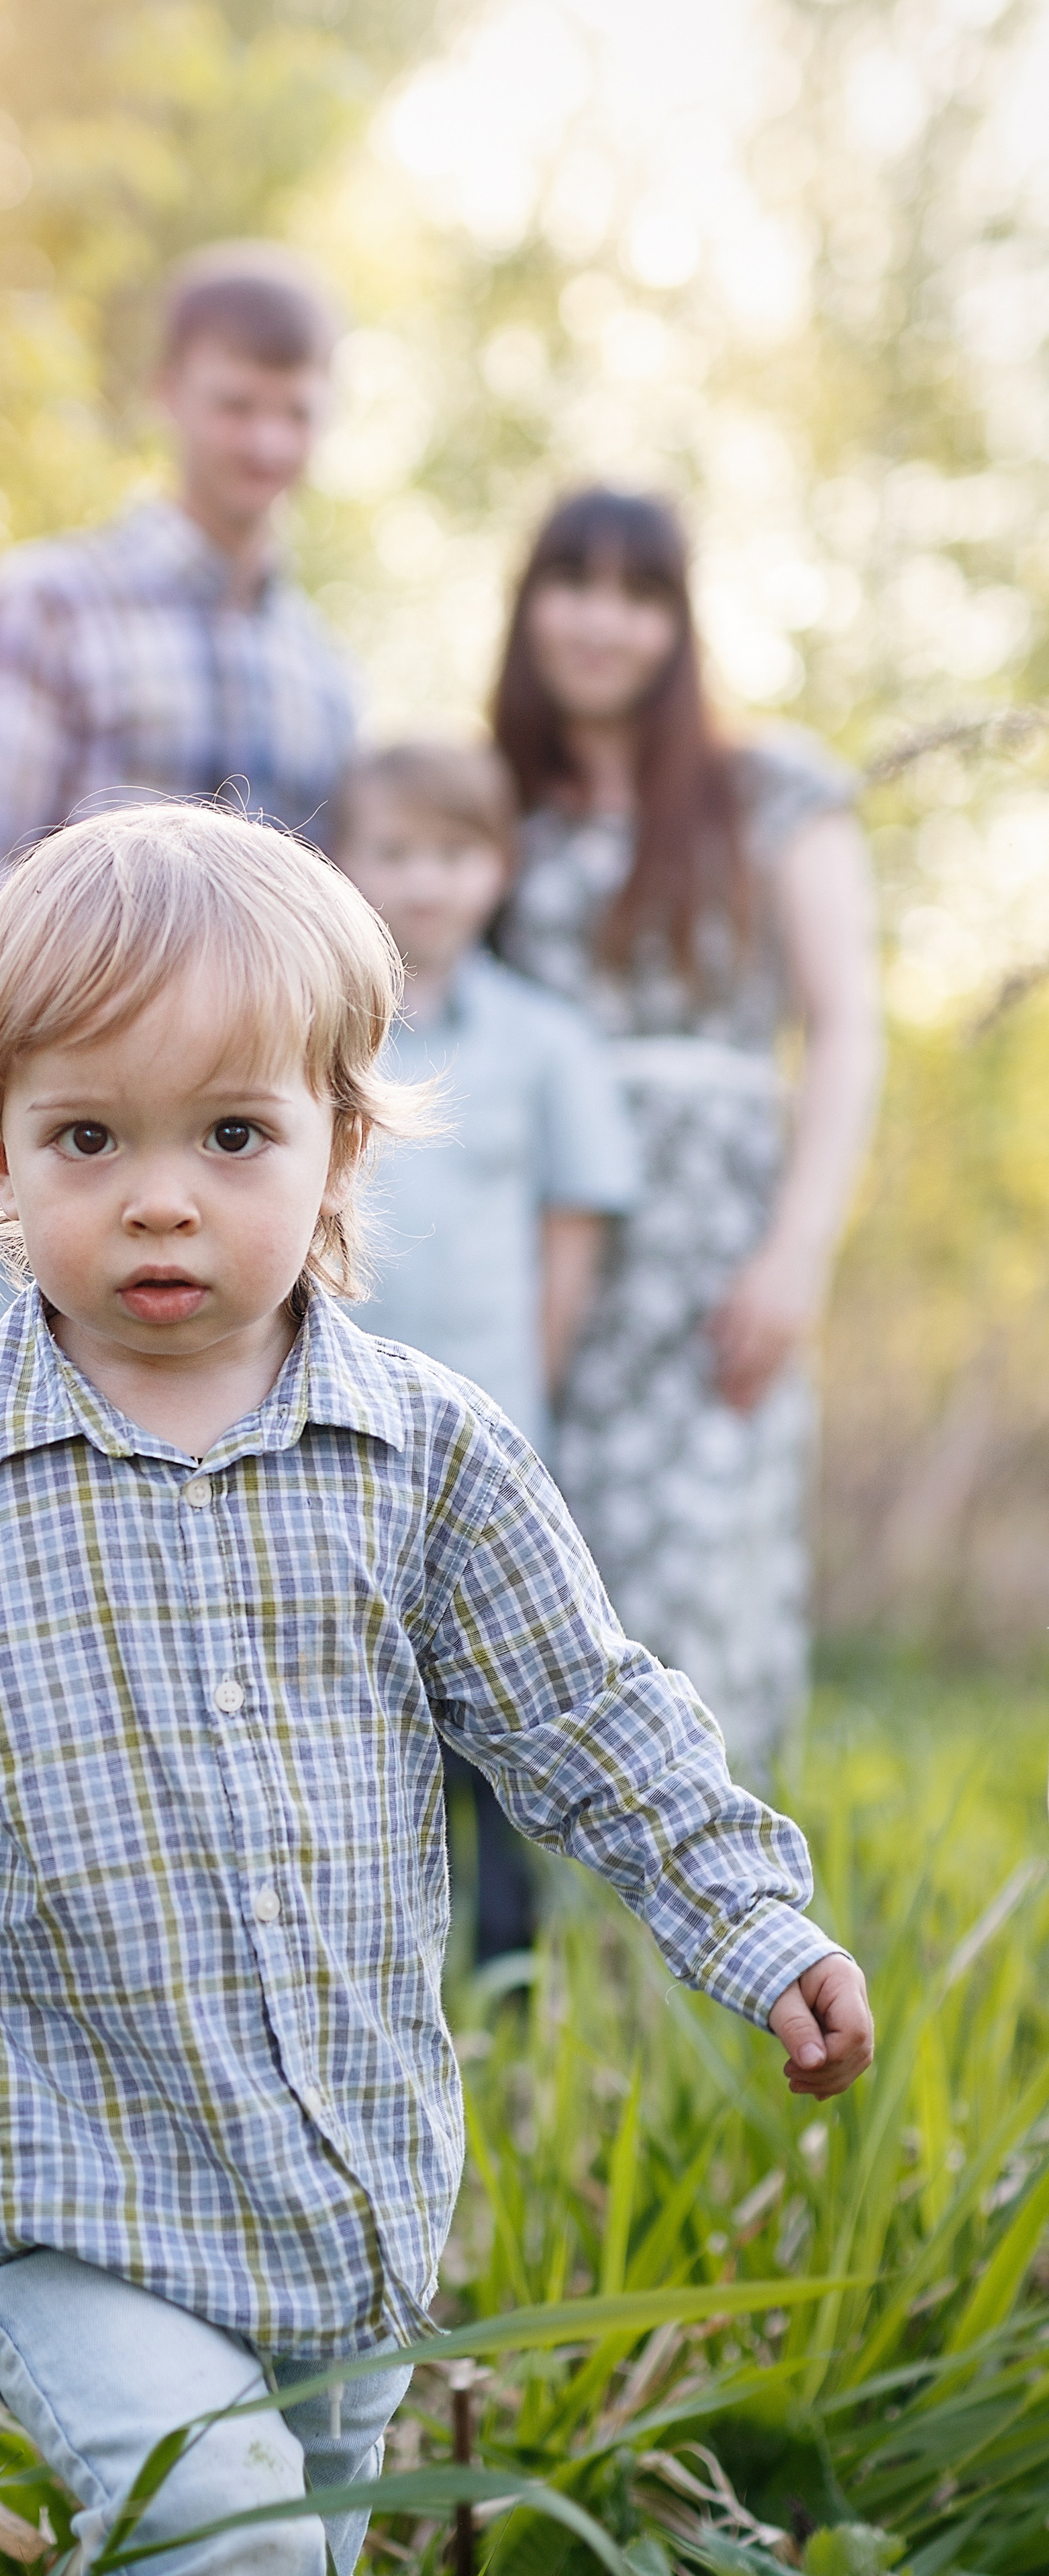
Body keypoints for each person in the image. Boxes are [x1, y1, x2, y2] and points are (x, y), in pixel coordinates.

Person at [0, 807, 874, 2576]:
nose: (159, 1193)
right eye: (86, 1136)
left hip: (353, 2193)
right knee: (243, 2545)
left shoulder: (425, 1453)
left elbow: (586, 1719)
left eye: (230, 1133)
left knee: (307, 2539)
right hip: (67, 2196)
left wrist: (752, 1921)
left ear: (339, 1146)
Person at [491, 488, 883, 1783]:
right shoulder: (500, 805)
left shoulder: (768, 790)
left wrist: (799, 1253)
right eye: (574, 584)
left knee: (703, 1571)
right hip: (547, 1235)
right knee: (551, 1572)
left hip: (718, 1243)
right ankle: (538, 1939)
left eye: (638, 593)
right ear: (530, 603)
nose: (603, 623)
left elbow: (842, 1027)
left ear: (678, 621)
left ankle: (706, 1929)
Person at [334, 741, 640, 1963]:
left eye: (454, 855)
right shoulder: (312, 1024)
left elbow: (571, 1236)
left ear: (499, 871)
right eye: (394, 852)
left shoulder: (542, 1041)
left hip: (487, 1418)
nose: (423, 883)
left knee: (492, 1692)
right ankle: (368, 1941)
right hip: (336, 1419)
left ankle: (507, 1960)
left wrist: (528, 1390)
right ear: (345, 863)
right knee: (354, 1684)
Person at [0, 240, 356, 992]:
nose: (266, 442)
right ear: (168, 392)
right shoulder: (50, 604)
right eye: (236, 406)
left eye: (296, 413)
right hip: (89, 1078)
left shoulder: (323, 671)